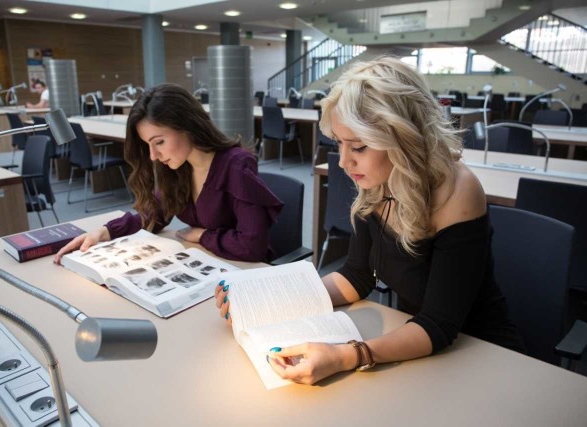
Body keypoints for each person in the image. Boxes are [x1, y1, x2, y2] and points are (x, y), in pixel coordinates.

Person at [215, 57, 524, 385]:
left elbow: (439, 324)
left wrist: (347, 355)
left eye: (359, 146)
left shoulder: (457, 191)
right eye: (340, 144)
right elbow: (356, 277)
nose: (345, 162)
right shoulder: (377, 179)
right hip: (417, 347)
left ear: (402, 139)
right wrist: (268, 302)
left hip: (481, 355)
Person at [54, 83, 282, 264]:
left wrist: (202, 236)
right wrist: (103, 233)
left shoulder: (235, 165)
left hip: (244, 272)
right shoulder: (176, 167)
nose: (153, 155)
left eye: (159, 142)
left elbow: (253, 246)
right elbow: (154, 213)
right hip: (206, 263)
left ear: (187, 126)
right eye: (148, 145)